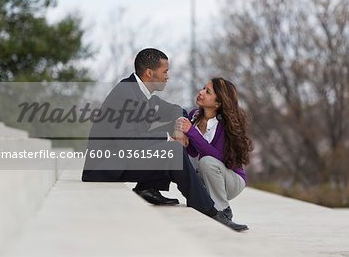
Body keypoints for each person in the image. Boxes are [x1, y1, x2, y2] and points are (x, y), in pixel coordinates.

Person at [82, 48, 248, 231]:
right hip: (104, 165)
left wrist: (178, 128)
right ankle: (210, 210)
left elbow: (177, 110)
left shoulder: (141, 93)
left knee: (177, 124)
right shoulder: (126, 94)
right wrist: (169, 138)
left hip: (121, 156)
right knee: (173, 151)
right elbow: (128, 142)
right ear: (149, 73)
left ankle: (148, 188)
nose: (167, 76)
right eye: (165, 71)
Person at [175, 78, 253, 223]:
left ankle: (223, 210)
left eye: (207, 91)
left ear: (218, 103)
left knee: (207, 162)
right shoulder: (194, 116)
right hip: (209, 174)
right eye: (203, 88)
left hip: (231, 180)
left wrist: (192, 132)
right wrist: (184, 140)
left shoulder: (224, 125)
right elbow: (194, 152)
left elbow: (218, 158)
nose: (201, 92)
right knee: (189, 173)